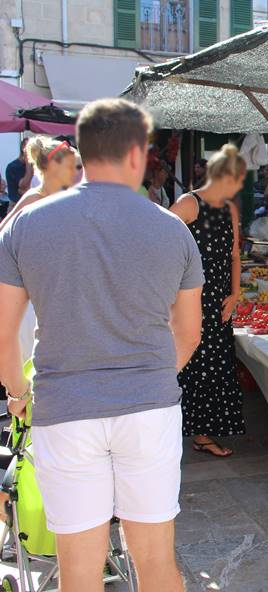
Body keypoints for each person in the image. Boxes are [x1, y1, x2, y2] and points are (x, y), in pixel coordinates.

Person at [0, 98, 202, 592]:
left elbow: (3, 332)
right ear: (137, 154)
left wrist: (17, 392)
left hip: (63, 409)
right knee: (155, 561)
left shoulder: (27, 224)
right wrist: (154, 373)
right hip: (149, 409)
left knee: (80, 568)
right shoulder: (173, 229)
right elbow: (190, 333)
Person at [171, 144, 246, 457]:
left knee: (213, 367)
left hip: (218, 302)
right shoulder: (189, 203)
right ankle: (179, 433)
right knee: (189, 365)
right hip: (190, 297)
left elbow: (235, 255)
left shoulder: (228, 208)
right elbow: (158, 239)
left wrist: (235, 293)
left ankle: (202, 433)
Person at [0, 136, 77, 232]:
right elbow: (3, 229)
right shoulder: (34, 197)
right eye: (69, 166)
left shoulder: (64, 195)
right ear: (53, 167)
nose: (74, 171)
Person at [5, 139, 32, 208]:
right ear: (24, 148)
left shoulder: (33, 165)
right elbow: (24, 186)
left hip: (29, 204)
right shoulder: (13, 167)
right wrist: (28, 161)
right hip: (16, 206)